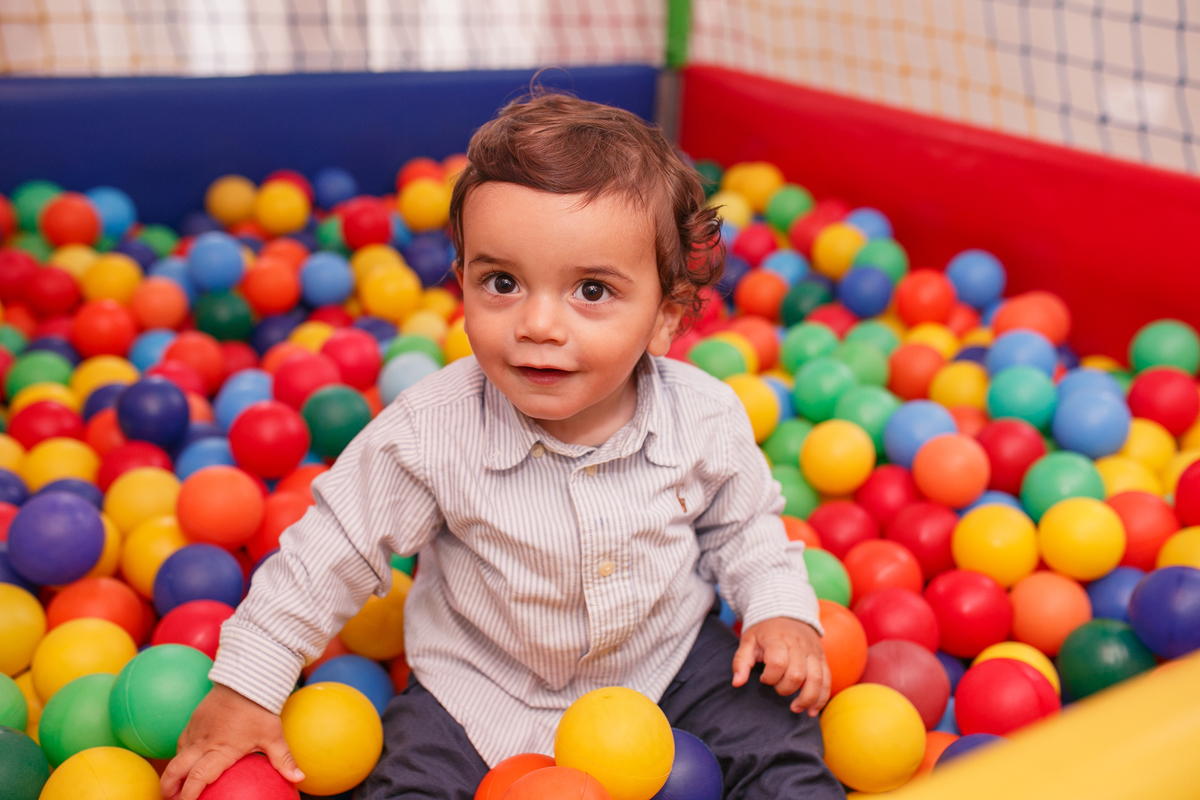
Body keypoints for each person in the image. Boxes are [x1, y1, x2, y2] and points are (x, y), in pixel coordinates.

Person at [162, 92, 842, 800]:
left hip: (667, 664)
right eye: (503, 283)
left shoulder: (703, 414)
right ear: (461, 285)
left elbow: (745, 527)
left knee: (779, 736)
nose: (538, 324)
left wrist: (779, 609)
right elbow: (328, 550)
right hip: (477, 688)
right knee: (409, 780)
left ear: (665, 317)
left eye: (591, 290)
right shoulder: (431, 429)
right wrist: (248, 687)